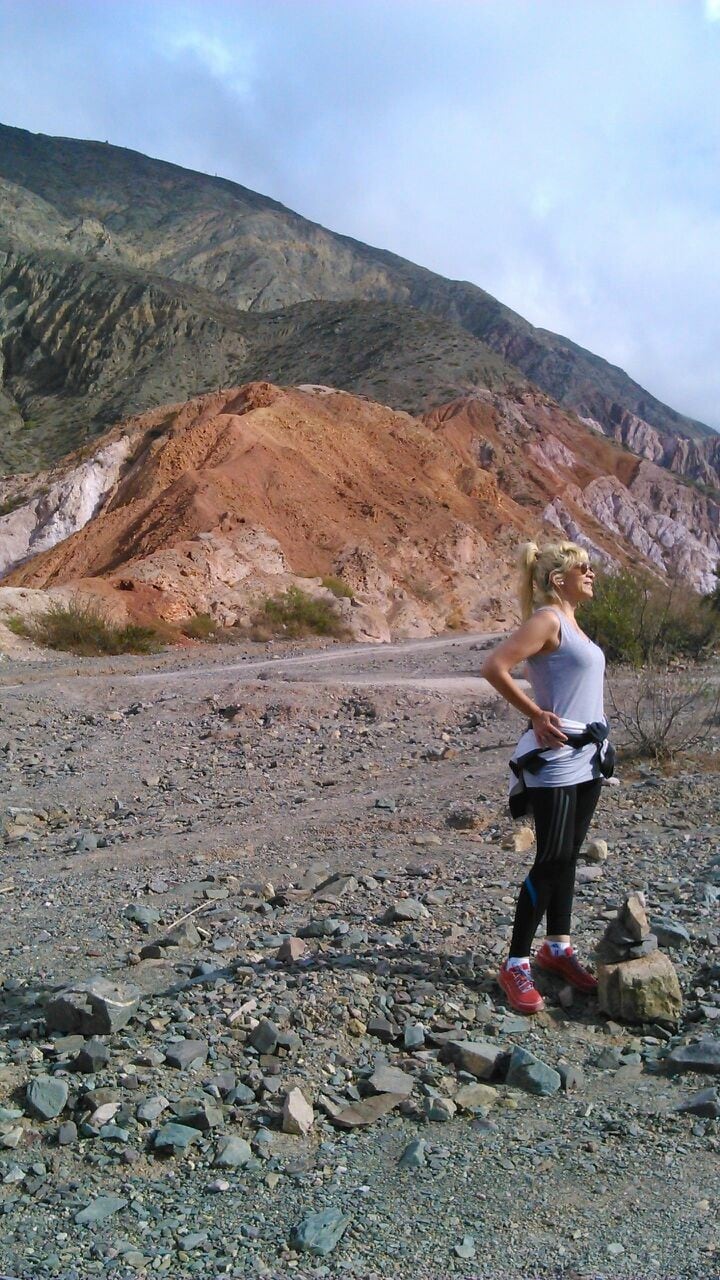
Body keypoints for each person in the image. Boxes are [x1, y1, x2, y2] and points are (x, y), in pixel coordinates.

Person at [480, 540, 611, 1014]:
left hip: (588, 753)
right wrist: (536, 713)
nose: (592, 574)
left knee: (568, 856)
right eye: (584, 568)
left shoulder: (572, 622)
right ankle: (516, 963)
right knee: (551, 857)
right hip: (556, 757)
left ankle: (557, 948)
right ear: (559, 579)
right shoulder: (547, 620)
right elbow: (494, 666)